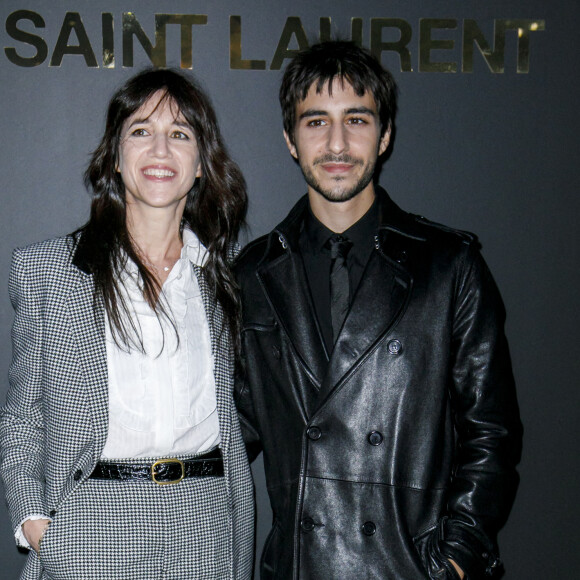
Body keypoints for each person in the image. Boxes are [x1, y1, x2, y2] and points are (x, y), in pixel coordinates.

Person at [234, 41, 522, 579]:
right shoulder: (250, 276)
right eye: (316, 121)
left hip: (407, 566)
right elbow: (223, 435)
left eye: (357, 120)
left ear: (385, 135)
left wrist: (454, 561)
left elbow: (492, 433)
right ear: (290, 140)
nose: (337, 143)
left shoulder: (447, 267)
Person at [0, 68, 254, 579]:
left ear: (201, 164)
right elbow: (23, 414)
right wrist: (35, 521)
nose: (161, 150)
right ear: (115, 157)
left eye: (180, 134)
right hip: (91, 528)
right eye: (141, 131)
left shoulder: (228, 280)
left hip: (206, 527)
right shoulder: (49, 272)